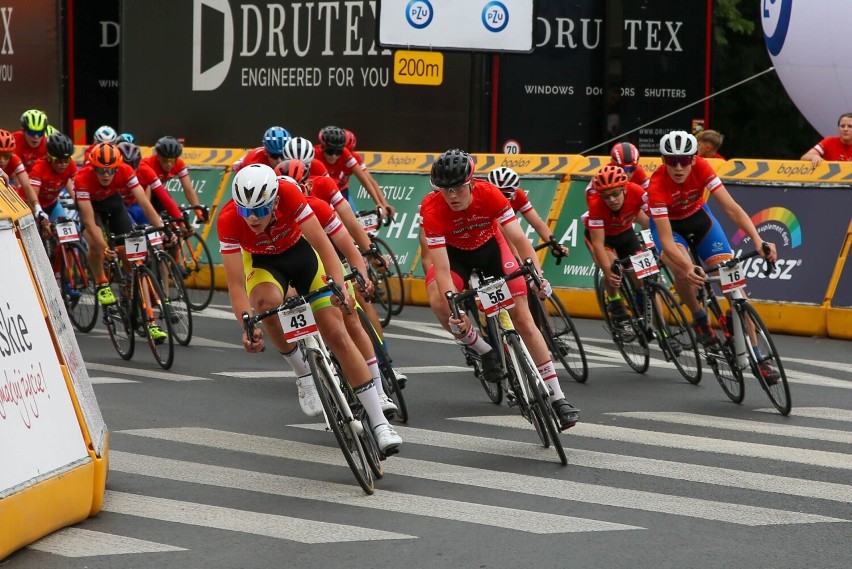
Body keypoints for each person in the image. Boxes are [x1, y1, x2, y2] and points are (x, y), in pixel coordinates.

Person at [217, 164, 403, 452]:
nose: (252, 218)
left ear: (275, 200)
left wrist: (339, 287)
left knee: (337, 333)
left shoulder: (290, 194)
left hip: (300, 255)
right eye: (245, 211)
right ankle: (303, 373)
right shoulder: (229, 219)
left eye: (260, 210)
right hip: (262, 264)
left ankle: (380, 424)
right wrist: (246, 324)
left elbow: (326, 247)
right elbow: (236, 285)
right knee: (265, 305)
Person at [420, 149, 580, 430]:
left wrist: (536, 276)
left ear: (470, 182)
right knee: (438, 301)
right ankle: (483, 350)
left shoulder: (490, 193)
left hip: (491, 250)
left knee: (524, 319)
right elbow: (442, 269)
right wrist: (453, 307)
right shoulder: (432, 209)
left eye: (458, 188)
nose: (452, 195)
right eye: (445, 190)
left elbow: (519, 239)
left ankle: (558, 398)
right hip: (455, 257)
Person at [646, 131, 780, 382]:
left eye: (684, 160)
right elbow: (665, 240)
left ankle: (758, 355)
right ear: (663, 160)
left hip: (700, 220)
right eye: (671, 160)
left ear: (694, 159)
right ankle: (698, 316)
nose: (678, 166)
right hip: (671, 230)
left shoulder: (703, 168)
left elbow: (731, 208)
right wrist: (687, 266)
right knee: (681, 269)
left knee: (736, 286)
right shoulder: (656, 186)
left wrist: (758, 240)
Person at [75, 142, 171, 341]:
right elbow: (89, 221)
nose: (106, 174)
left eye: (111, 170)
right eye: (101, 170)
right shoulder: (82, 178)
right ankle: (101, 282)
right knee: (95, 242)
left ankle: (149, 319)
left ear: (118, 167)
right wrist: (103, 246)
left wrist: (161, 227)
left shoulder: (126, 170)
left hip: (114, 204)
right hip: (92, 208)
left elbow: (144, 202)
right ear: (93, 167)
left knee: (136, 260)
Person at [583, 165, 650, 323]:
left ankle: (643, 302)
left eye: (615, 194)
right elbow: (598, 244)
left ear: (624, 189)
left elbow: (653, 221)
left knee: (643, 274)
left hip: (625, 234)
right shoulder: (595, 205)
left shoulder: (637, 192)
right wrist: (608, 272)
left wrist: (652, 246)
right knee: (613, 269)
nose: (612, 200)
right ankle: (614, 301)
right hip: (603, 239)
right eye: (606, 196)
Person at [315, 126, 394, 221]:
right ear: (322, 147)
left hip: (341, 192)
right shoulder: (315, 154)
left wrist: (381, 203)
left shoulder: (348, 155)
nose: (334, 156)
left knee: (352, 221)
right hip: (321, 192)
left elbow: (367, 181)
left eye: (338, 152)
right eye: (330, 152)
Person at [140, 136, 206, 221]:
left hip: (156, 190)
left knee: (172, 215)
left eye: (172, 160)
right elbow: (146, 197)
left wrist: (198, 212)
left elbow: (189, 190)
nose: (169, 164)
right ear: (158, 157)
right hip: (141, 191)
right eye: (165, 160)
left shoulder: (179, 164)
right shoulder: (148, 164)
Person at [29, 133, 78, 222]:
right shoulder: (39, 168)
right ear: (49, 158)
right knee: (38, 230)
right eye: (59, 161)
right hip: (32, 204)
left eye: (66, 160)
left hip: (52, 204)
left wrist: (77, 199)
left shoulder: (70, 164)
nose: (63, 165)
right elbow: (32, 198)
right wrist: (40, 215)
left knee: (65, 224)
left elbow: (78, 184)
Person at [0, 128, 42, 217]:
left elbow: (27, 186)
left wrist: (38, 208)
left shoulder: (15, 160)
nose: (2, 160)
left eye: (6, 156)